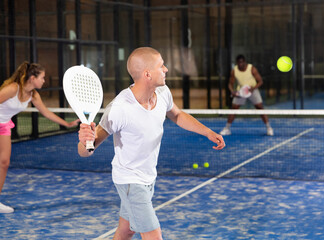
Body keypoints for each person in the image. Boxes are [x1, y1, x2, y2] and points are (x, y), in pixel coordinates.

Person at [78, 47, 225, 240]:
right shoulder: (120, 109)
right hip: (130, 180)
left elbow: (178, 115)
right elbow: (86, 151)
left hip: (148, 177)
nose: (165, 69)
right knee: (153, 235)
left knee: (126, 229)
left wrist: (207, 131)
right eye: (161, 65)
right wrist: (84, 141)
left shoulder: (163, 92)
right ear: (147, 74)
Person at [0, 62, 80, 213]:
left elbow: (46, 113)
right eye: (42, 77)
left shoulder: (33, 95)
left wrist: (67, 124)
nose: (44, 81)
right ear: (32, 78)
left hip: (3, 125)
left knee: (4, 163)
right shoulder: (12, 89)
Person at [219, 55, 273, 136]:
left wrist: (252, 88)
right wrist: (232, 91)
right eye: (239, 62)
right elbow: (230, 84)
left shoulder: (252, 69)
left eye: (242, 62)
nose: (240, 64)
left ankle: (269, 127)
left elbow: (260, 81)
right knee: (233, 109)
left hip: (252, 90)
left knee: (260, 108)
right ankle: (227, 128)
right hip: (241, 92)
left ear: (244, 62)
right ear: (237, 63)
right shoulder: (234, 71)